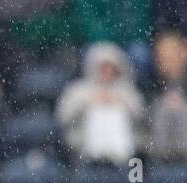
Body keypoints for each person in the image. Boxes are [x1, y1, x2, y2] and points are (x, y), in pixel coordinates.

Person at [56, 43, 143, 164]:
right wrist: (88, 102)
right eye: (103, 68)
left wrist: (119, 102)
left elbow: (141, 116)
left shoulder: (127, 91)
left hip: (124, 153)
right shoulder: (78, 90)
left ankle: (116, 158)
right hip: (82, 150)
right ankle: (96, 157)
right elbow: (63, 117)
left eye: (111, 68)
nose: (107, 73)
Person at [148, 30, 187, 160]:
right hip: (157, 153)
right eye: (161, 56)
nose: (165, 60)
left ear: (183, 53)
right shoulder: (148, 82)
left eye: (171, 55)